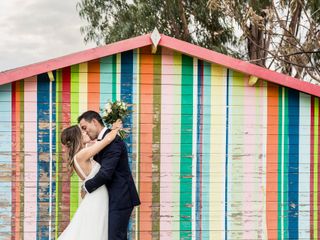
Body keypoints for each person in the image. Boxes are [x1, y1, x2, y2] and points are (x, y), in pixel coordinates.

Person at [78, 110, 140, 240]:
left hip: (120, 196)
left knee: (115, 237)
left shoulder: (113, 141)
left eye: (85, 127)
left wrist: (86, 187)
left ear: (94, 122)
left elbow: (106, 174)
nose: (85, 132)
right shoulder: (104, 140)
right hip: (111, 197)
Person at [58, 119, 122, 240]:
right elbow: (107, 140)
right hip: (98, 196)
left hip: (95, 195)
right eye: (82, 132)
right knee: (96, 231)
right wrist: (115, 128)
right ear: (77, 137)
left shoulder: (79, 156)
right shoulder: (82, 154)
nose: (86, 132)